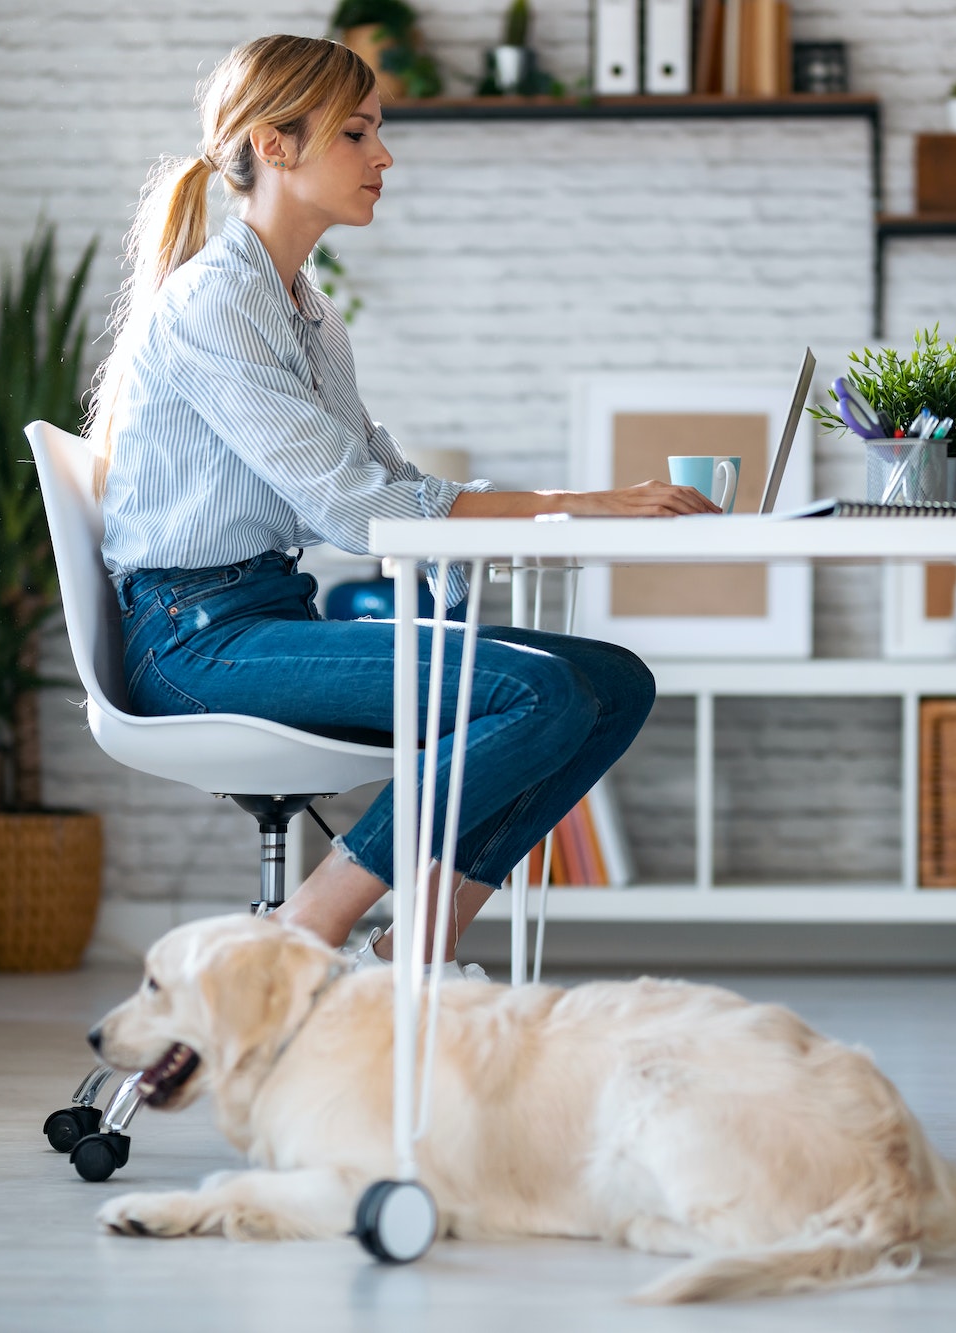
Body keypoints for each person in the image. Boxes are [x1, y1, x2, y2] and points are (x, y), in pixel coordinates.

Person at [90, 34, 715, 970]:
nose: (384, 157)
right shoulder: (214, 302)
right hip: (194, 645)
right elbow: (358, 511)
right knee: (534, 692)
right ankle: (310, 928)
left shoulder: (303, 307)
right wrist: (586, 503)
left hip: (263, 616)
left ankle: (412, 952)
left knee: (616, 682)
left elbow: (382, 476)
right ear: (275, 144)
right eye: (356, 134)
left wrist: (569, 510)